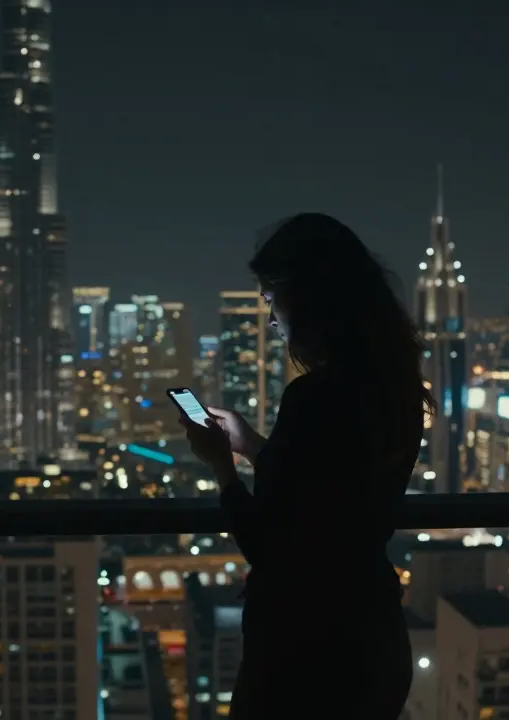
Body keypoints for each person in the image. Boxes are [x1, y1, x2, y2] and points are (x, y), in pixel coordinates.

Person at [179, 213, 432, 719]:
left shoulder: (314, 397)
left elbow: (273, 545)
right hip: (373, 636)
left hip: (306, 653)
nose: (270, 318)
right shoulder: (397, 390)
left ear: (310, 297)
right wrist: (250, 443)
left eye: (272, 298)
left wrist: (221, 470)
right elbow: (328, 491)